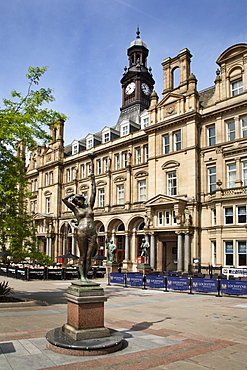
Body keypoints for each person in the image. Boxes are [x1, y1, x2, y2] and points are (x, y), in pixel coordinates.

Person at [62, 169, 97, 282]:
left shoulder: (89, 207)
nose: (79, 202)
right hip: (81, 231)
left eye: (79, 199)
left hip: (92, 232)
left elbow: (94, 193)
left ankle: (86, 276)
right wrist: (72, 194)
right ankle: (82, 277)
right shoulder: (75, 209)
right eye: (76, 201)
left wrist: (92, 180)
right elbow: (64, 199)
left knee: (89, 256)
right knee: (82, 255)